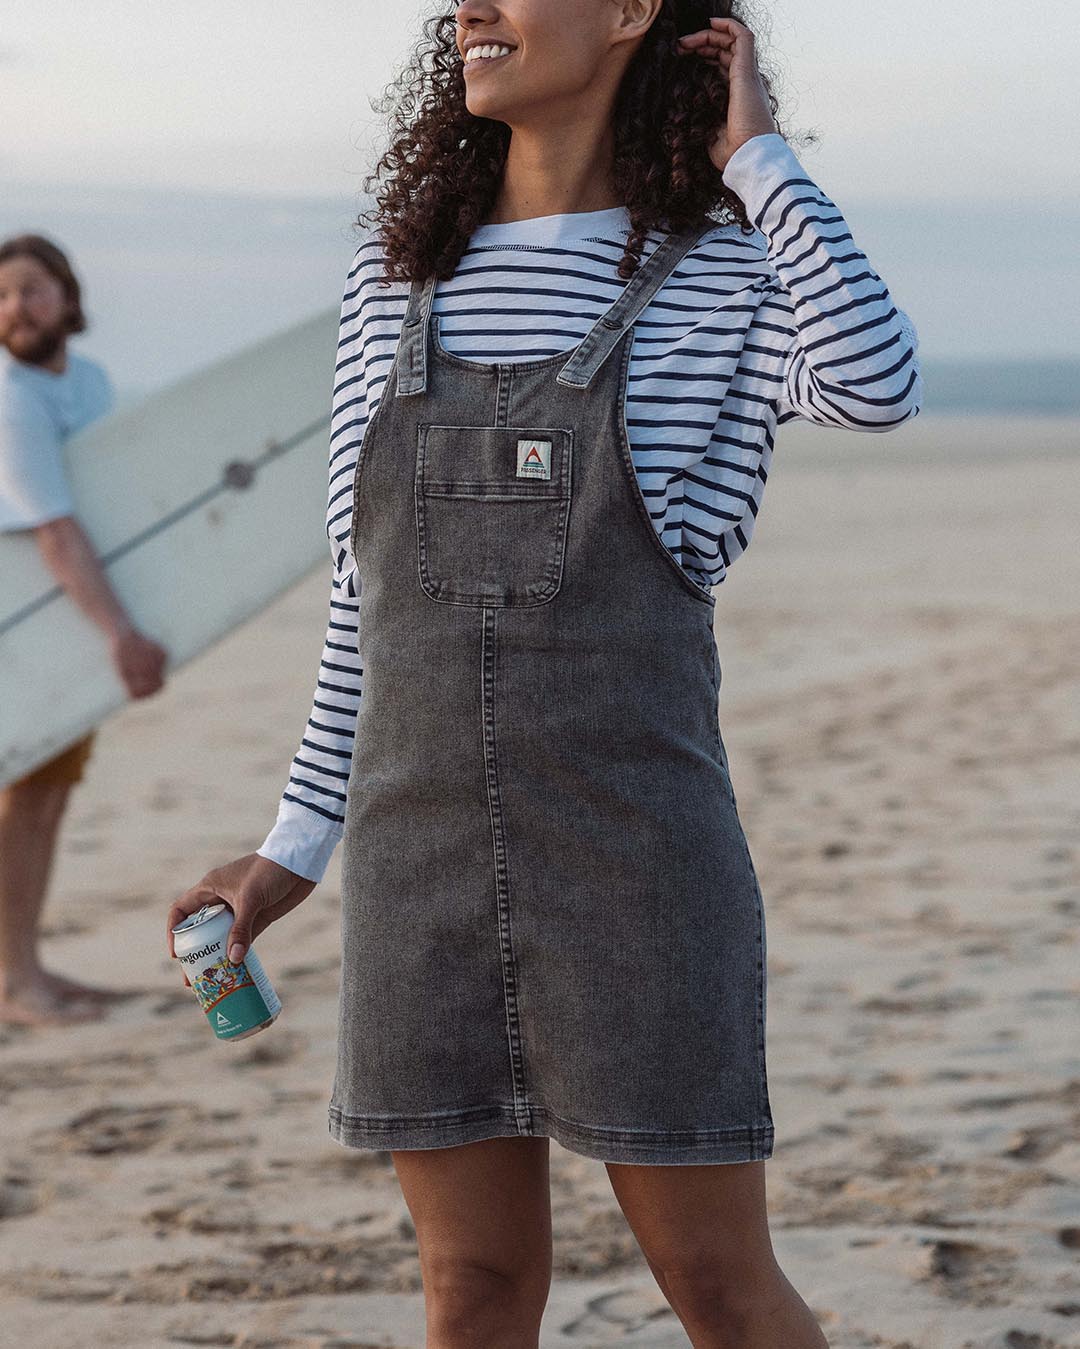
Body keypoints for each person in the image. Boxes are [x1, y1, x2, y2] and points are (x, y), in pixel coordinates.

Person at [168, 2, 923, 1343]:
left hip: (638, 859)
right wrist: (289, 850)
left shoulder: (724, 273)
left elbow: (876, 386)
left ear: (632, 11)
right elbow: (366, 601)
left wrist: (759, 157)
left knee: (717, 1284)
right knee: (473, 1285)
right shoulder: (392, 275)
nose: (473, 6)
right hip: (418, 860)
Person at [0, 234, 168, 1027]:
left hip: (65, 622)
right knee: (20, 796)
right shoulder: (11, 394)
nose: (15, 308)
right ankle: (13, 980)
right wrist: (123, 634)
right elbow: (56, 531)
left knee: (49, 795)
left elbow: (123, 502)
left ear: (67, 296)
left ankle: (26, 966)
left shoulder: (91, 382)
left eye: (31, 289)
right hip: (24, 625)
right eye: (1, 296)